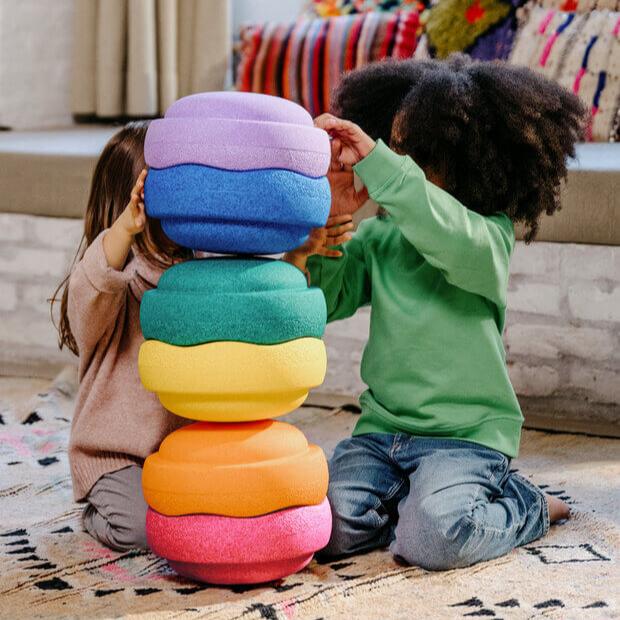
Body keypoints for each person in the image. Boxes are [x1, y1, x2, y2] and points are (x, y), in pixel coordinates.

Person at [284, 55, 586, 570]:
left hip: (464, 438)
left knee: (436, 541)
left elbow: (441, 227)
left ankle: (526, 503)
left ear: (471, 160)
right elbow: (324, 303)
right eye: (400, 152)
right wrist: (323, 230)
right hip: (381, 432)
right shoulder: (382, 237)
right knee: (319, 530)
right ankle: (414, 504)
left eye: (420, 156)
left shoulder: (488, 238)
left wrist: (381, 166)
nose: (406, 167)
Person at [52, 122, 191, 551]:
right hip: (114, 458)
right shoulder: (111, 281)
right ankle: (96, 513)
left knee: (205, 516)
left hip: (181, 451)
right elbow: (90, 288)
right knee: (142, 530)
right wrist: (124, 230)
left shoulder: (190, 272)